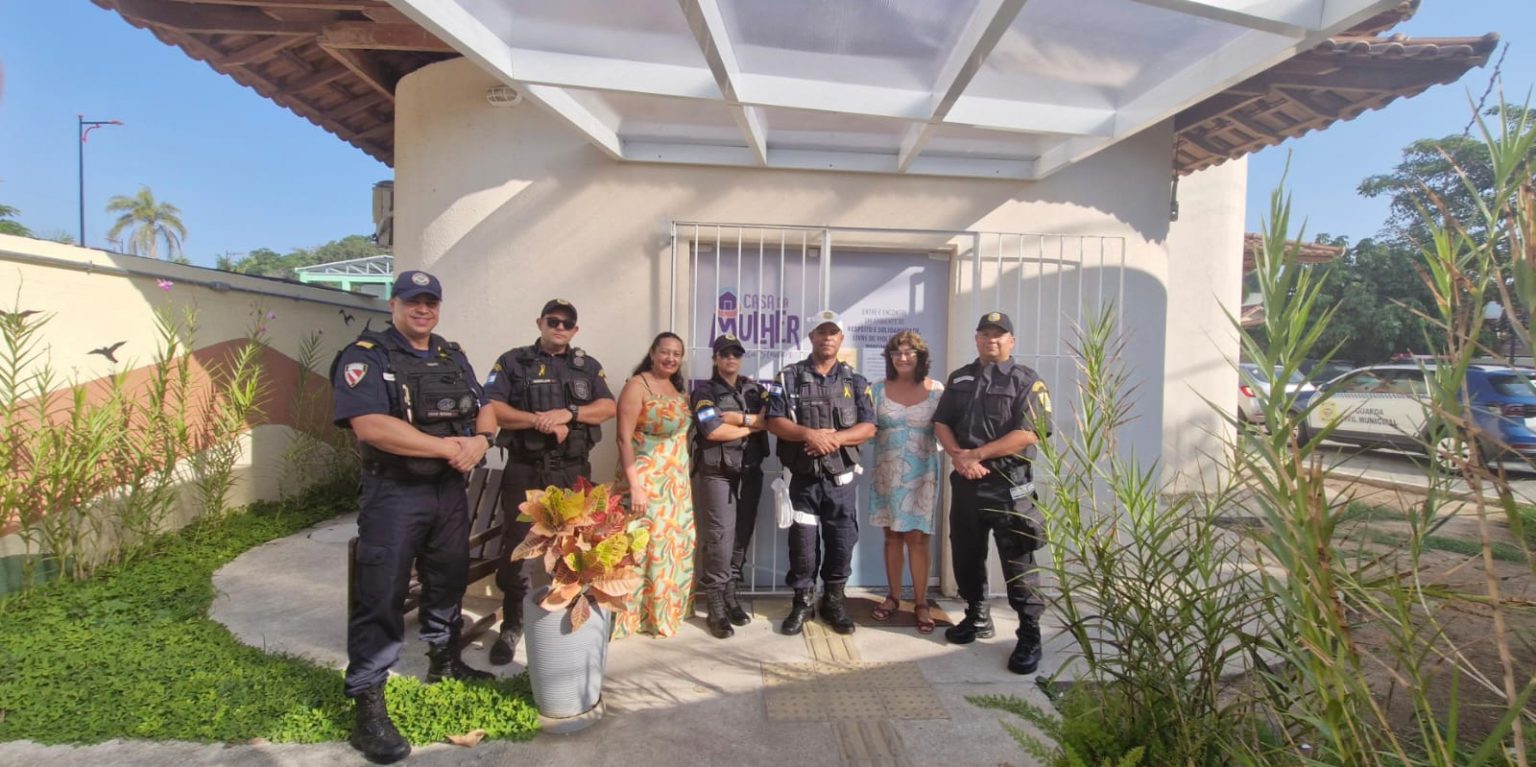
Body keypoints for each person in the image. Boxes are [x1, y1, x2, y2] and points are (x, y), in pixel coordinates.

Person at [330, 270, 496, 765]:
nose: (422, 309)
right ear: (394, 304)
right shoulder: (366, 356)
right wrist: (449, 447)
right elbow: (371, 426)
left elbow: (484, 409)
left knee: (447, 579)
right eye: (412, 301)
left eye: (430, 301)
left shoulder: (452, 354)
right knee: (381, 592)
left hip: (448, 491)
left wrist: (481, 441)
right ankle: (368, 705)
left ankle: (445, 663)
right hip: (395, 492)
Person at [483, 299, 616, 665]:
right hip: (526, 470)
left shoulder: (586, 367)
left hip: (572, 470)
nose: (559, 328)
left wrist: (568, 414)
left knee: (575, 544)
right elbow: (492, 408)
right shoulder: (513, 362)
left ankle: (572, 613)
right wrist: (539, 421)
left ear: (575, 330)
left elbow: (608, 408)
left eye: (567, 323)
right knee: (518, 545)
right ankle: (513, 623)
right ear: (540, 322)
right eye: (553, 321)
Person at [933, 311, 1052, 675]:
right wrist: (958, 457)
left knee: (1019, 565)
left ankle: (1029, 635)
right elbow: (942, 422)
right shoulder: (960, 378)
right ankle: (976, 616)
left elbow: (1030, 433)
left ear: (1011, 341)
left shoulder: (1027, 382)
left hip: (1009, 488)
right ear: (977, 339)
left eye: (999, 335)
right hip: (967, 484)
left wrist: (978, 454)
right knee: (967, 557)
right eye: (985, 334)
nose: (991, 340)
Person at [766, 310, 876, 636]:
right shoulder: (787, 377)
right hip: (802, 481)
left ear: (840, 339)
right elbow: (773, 420)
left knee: (841, 542)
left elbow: (868, 427)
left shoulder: (856, 381)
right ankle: (802, 603)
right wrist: (808, 435)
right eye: (821, 332)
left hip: (840, 481)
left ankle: (834, 602)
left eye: (833, 332)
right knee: (802, 544)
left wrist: (833, 439)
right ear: (811, 336)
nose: (827, 337)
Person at [612, 331, 696, 638]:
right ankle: (635, 617)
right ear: (652, 352)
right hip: (646, 480)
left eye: (676, 353)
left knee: (671, 546)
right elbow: (623, 438)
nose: (670, 358)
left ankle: (664, 613)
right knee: (644, 547)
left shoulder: (676, 388)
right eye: (665, 352)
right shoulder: (638, 386)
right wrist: (634, 485)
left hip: (675, 483)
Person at [690, 333, 770, 638]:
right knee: (719, 537)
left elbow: (772, 420)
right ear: (715, 358)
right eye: (724, 354)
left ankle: (730, 594)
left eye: (735, 354)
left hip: (750, 471)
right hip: (718, 473)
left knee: (741, 535)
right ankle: (715, 602)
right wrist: (752, 424)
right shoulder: (704, 392)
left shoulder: (755, 390)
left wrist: (738, 419)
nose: (730, 359)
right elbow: (711, 430)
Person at [868, 330, 944, 634]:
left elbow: (949, 429)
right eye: (896, 352)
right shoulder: (875, 390)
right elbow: (863, 428)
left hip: (923, 472)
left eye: (909, 351)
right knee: (892, 538)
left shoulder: (937, 390)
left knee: (918, 539)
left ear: (920, 356)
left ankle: (922, 602)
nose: (902, 357)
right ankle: (893, 597)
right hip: (887, 473)